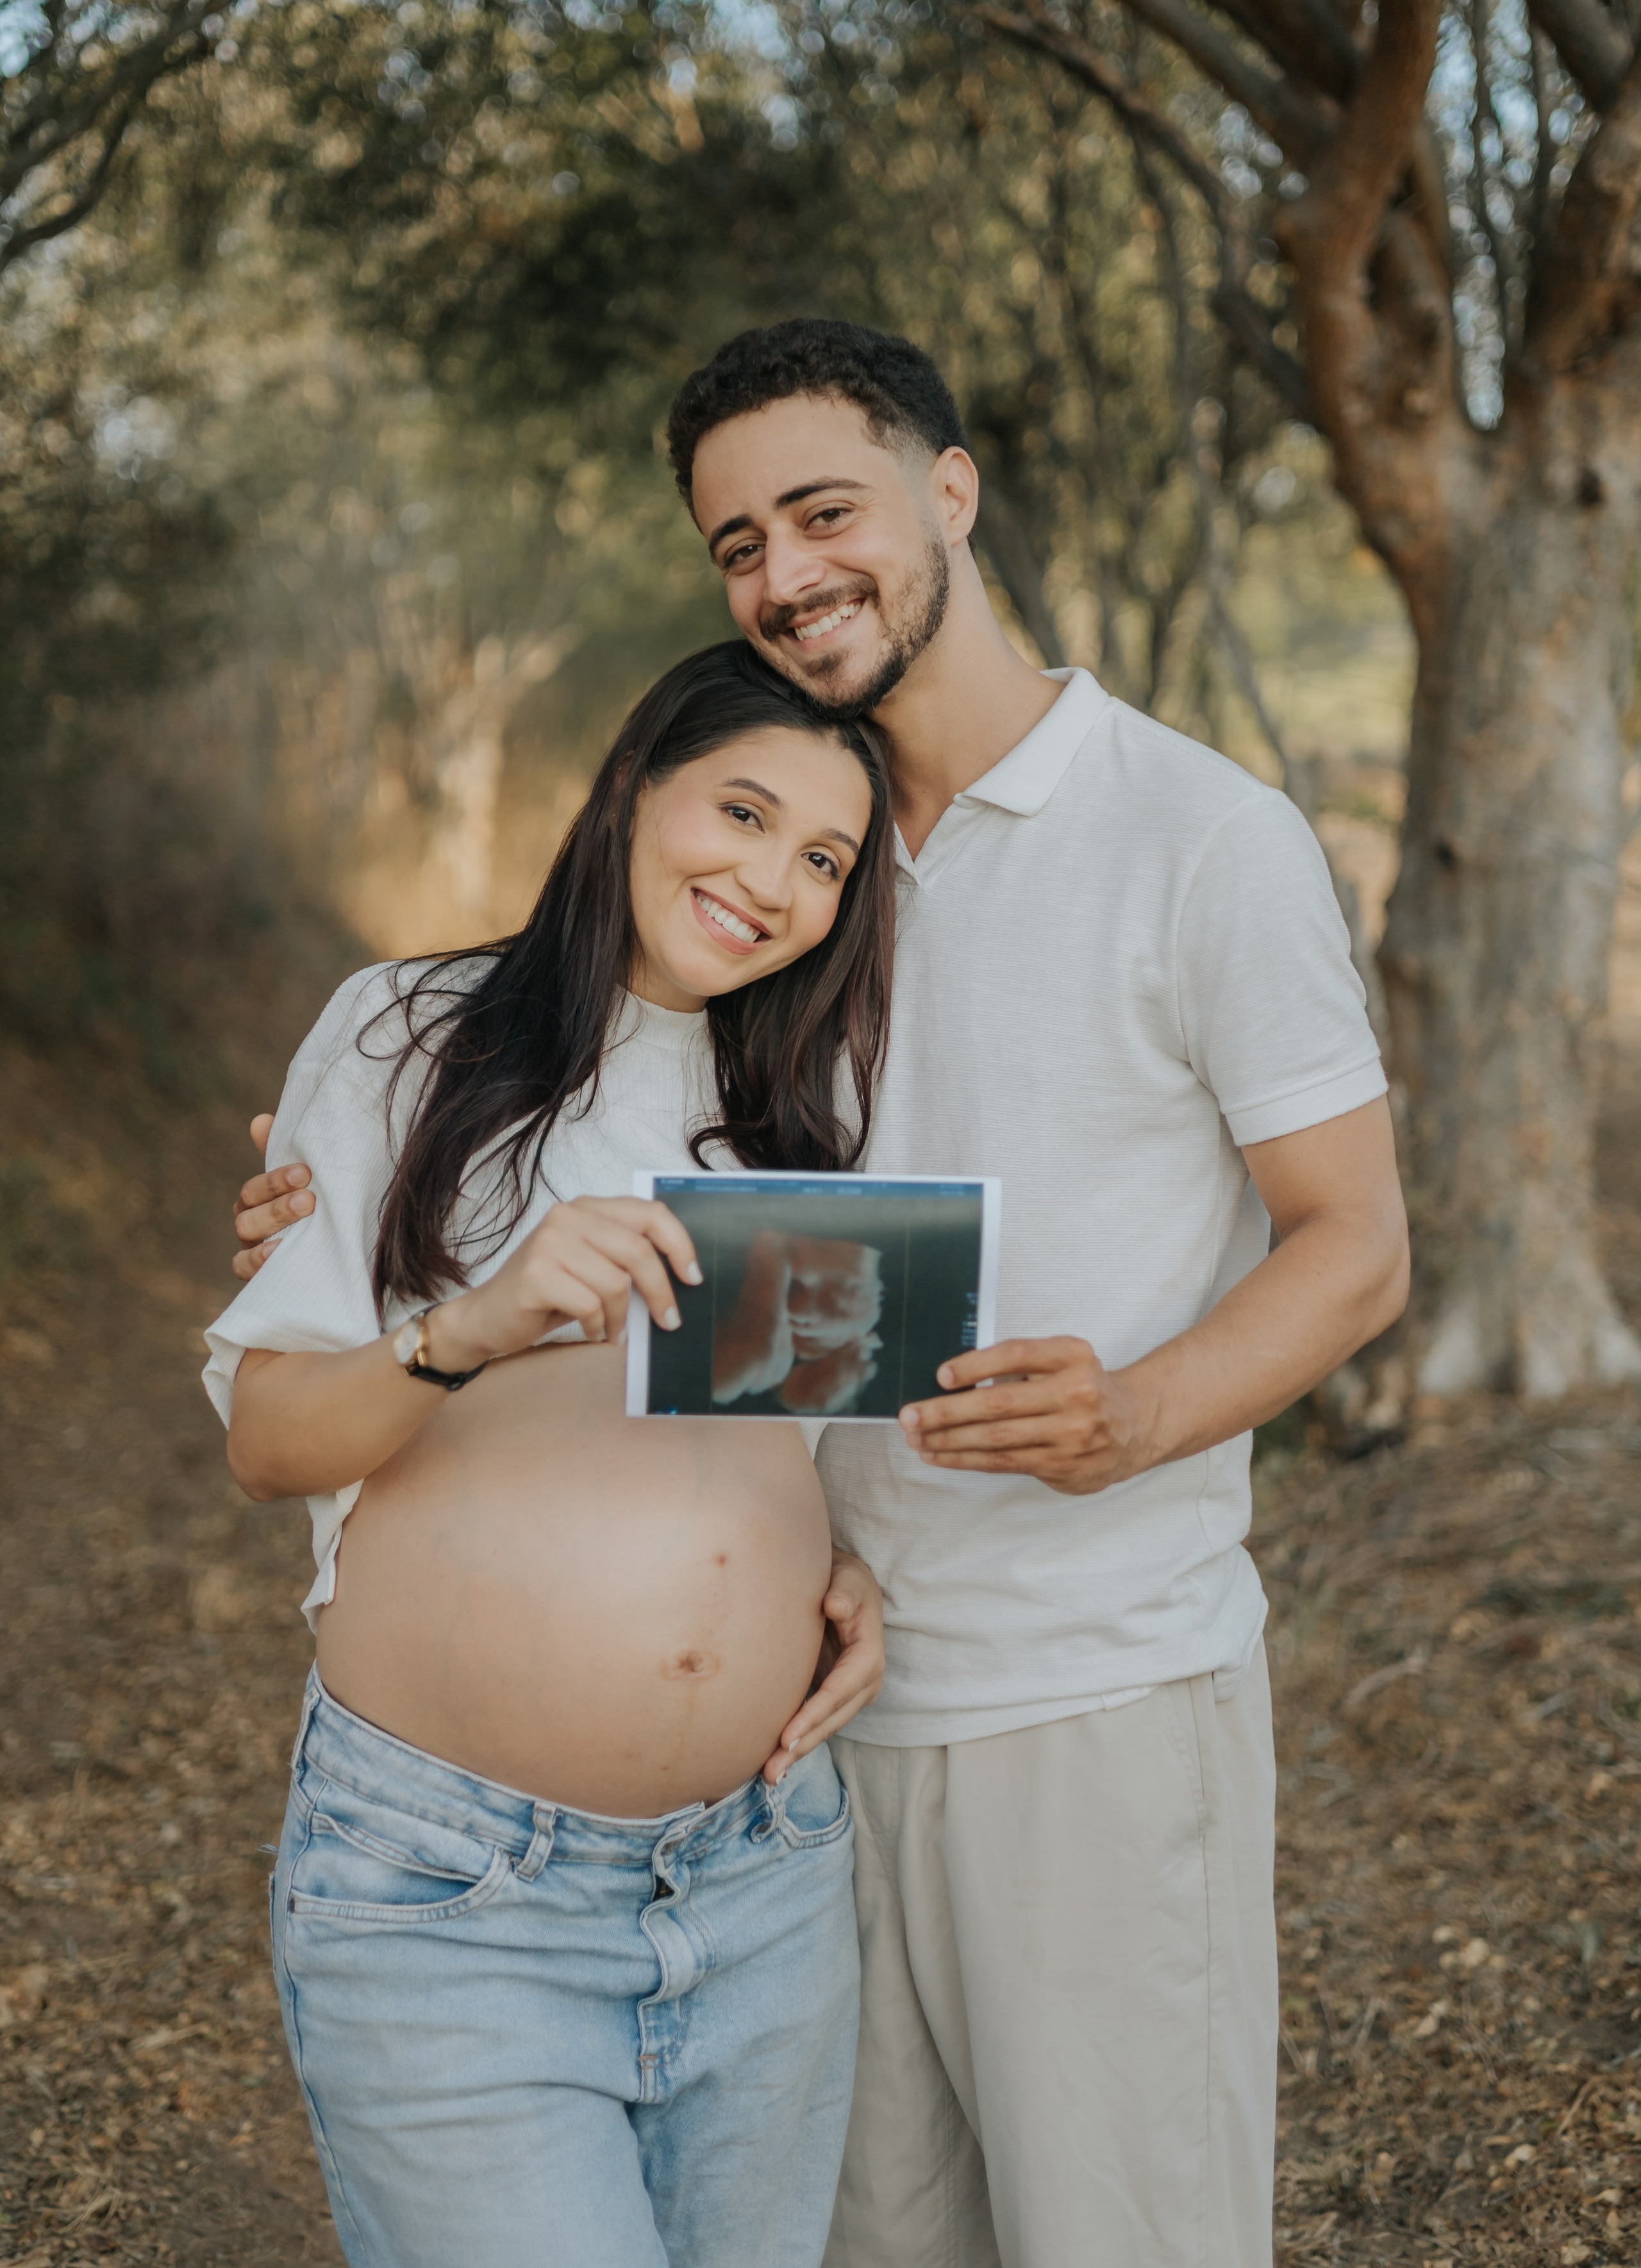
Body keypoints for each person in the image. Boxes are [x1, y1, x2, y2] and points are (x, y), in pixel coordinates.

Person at [237, 321, 1411, 2268]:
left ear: (951, 490)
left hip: (1084, 1685)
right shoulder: (794, 896)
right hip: (811, 1748)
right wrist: (345, 1183)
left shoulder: (1201, 837)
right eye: (738, 546)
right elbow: (563, 1118)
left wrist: (1137, 1413)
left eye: (823, 513)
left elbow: (1356, 1241)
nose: (785, 575)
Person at [204, 641, 900, 2268]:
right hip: (458, 1897)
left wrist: (830, 1567)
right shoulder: (408, 1036)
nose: (772, 883)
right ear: (634, 788)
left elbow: (760, 1446)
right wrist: (480, 1319)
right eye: (742, 812)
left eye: (823, 861)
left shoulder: (811, 1105)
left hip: (763, 1879)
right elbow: (267, 1440)